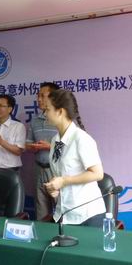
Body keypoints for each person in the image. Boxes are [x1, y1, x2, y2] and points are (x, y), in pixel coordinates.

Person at [43, 89, 105, 227]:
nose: (44, 113)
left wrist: (64, 181)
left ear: (60, 111)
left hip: (87, 215)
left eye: (47, 109)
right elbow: (61, 173)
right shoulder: (55, 140)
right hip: (64, 212)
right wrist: (55, 188)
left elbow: (98, 173)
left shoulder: (81, 138)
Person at [26, 82, 60, 220]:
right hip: (39, 169)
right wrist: (33, 147)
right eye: (38, 96)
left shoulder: (62, 119)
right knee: (41, 211)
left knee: (61, 210)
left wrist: (49, 147)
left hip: (57, 170)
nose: (39, 99)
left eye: (42, 96)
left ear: (53, 98)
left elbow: (69, 146)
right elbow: (27, 144)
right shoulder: (35, 120)